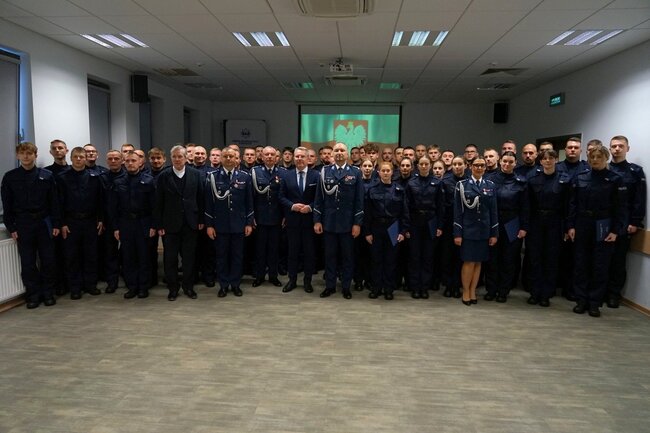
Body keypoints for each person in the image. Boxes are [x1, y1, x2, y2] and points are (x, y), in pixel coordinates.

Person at [567, 145, 627, 317]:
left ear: (606, 158)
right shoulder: (581, 177)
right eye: (592, 157)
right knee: (581, 264)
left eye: (599, 157)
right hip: (582, 224)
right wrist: (571, 226)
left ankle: (594, 302)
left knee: (600, 265)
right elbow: (572, 204)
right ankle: (581, 300)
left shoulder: (615, 179)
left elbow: (621, 208)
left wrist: (615, 230)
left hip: (603, 225)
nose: (595, 160)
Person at [1, 142, 60, 309]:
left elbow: (54, 202)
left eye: (29, 153)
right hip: (23, 225)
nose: (26, 156)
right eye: (22, 153)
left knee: (48, 260)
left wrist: (56, 224)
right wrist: (12, 228)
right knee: (28, 263)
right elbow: (7, 205)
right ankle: (33, 295)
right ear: (17, 156)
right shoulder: (10, 177)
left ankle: (48, 293)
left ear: (35, 155)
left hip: (44, 223)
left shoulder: (47, 176)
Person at [313, 142, 364, 300]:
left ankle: (346, 287)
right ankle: (330, 286)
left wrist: (357, 223)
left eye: (342, 150)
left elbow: (359, 200)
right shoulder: (325, 171)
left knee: (347, 257)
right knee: (330, 256)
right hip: (329, 222)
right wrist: (317, 220)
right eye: (336, 150)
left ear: (347, 154)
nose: (339, 153)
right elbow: (319, 198)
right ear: (332, 154)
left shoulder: (355, 172)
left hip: (348, 224)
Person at [154, 146, 204, 301]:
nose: (177, 159)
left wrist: (201, 220)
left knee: (189, 258)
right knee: (170, 259)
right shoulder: (163, 176)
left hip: (191, 223)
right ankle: (173, 288)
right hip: (170, 225)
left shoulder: (196, 174)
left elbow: (201, 198)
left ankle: (188, 287)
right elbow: (158, 202)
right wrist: (159, 225)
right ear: (171, 158)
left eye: (180, 156)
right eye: (174, 157)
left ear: (186, 158)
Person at [205, 147, 254, 297]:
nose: (228, 159)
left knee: (237, 256)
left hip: (239, 224)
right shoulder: (212, 177)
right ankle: (223, 285)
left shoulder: (245, 177)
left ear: (236, 159)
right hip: (220, 225)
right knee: (221, 257)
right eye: (225, 156)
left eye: (231, 156)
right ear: (221, 158)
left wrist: (249, 223)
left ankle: (235, 284)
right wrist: (209, 225)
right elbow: (208, 203)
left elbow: (249, 202)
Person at [108, 151, 157, 299]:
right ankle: (132, 287)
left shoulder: (148, 180)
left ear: (140, 162)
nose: (130, 163)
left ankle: (143, 287)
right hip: (125, 224)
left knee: (144, 256)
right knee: (128, 257)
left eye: (133, 161)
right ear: (124, 162)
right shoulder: (118, 182)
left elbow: (154, 206)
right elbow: (113, 207)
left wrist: (153, 225)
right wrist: (116, 227)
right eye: (128, 161)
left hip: (143, 223)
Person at [57, 147, 104, 300]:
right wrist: (62, 223)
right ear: (71, 158)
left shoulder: (94, 177)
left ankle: (90, 285)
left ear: (86, 158)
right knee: (72, 256)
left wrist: (101, 219)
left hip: (90, 221)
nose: (78, 159)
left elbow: (100, 200)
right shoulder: (62, 178)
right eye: (76, 157)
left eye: (81, 157)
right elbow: (58, 203)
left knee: (91, 255)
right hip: (71, 222)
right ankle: (75, 288)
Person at [526, 149, 571, 307]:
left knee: (551, 260)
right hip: (536, 222)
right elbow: (528, 205)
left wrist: (567, 227)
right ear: (540, 161)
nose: (548, 161)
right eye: (544, 158)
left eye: (551, 158)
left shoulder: (564, 180)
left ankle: (546, 294)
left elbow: (568, 206)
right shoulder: (533, 180)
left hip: (555, 222)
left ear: (556, 160)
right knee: (535, 259)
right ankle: (534, 292)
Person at [606, 135, 646, 308]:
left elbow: (639, 199)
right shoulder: (603, 168)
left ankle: (613, 294)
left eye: (620, 146)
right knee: (600, 259)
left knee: (618, 260)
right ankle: (599, 291)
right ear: (609, 149)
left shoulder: (635, 172)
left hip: (623, 223)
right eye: (614, 146)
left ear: (627, 149)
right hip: (603, 221)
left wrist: (635, 221)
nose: (617, 149)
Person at [483, 151, 529, 303]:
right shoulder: (489, 180)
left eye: (510, 162)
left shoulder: (521, 182)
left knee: (508, 259)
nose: (507, 164)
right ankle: (491, 289)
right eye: (505, 161)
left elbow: (525, 207)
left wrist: (524, 227)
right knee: (492, 258)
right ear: (500, 161)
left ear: (515, 164)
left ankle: (503, 291)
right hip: (493, 222)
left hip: (512, 222)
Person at [453, 157, 498, 306]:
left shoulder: (490, 185)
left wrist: (494, 233)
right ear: (470, 167)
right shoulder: (462, 185)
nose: (479, 168)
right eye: (476, 165)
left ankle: (473, 290)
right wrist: (457, 233)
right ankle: (466, 291)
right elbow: (457, 211)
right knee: (469, 261)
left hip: (484, 230)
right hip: (468, 230)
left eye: (482, 165)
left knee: (478, 262)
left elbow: (493, 211)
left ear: (485, 168)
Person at [364, 162, 409, 300]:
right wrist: (367, 232)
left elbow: (404, 212)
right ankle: (376, 288)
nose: (385, 173)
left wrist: (402, 231)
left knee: (391, 260)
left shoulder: (400, 189)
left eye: (388, 170)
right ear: (378, 172)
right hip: (376, 227)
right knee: (376, 259)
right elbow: (367, 213)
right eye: (382, 170)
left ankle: (389, 289)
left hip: (393, 227)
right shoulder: (371, 189)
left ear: (392, 172)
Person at [278, 147, 319, 293]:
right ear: (294, 158)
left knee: (309, 253)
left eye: (302, 156)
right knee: (292, 252)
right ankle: (292, 280)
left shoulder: (316, 175)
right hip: (293, 221)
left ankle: (307, 281)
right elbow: (281, 196)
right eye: (297, 156)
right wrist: (292, 206)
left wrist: (310, 207)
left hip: (309, 221)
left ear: (308, 158)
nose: (299, 159)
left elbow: (320, 198)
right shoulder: (286, 175)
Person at [557, 137, 591, 300]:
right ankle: (557, 285)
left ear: (581, 150)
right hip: (557, 217)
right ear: (565, 149)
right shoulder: (557, 167)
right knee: (557, 255)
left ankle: (572, 289)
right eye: (570, 147)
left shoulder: (586, 168)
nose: (572, 150)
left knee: (576, 257)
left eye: (576, 147)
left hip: (579, 220)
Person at [406, 156, 444, 299]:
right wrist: (406, 227)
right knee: (414, 256)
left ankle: (424, 287)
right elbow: (406, 206)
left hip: (431, 221)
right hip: (415, 222)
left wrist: (439, 225)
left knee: (428, 256)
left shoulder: (437, 183)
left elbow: (440, 206)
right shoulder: (411, 183)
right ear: (417, 166)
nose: (423, 166)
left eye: (426, 164)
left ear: (430, 165)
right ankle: (415, 287)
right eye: (421, 164)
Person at [251, 146, 284, 288]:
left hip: (277, 217)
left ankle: (273, 276)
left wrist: (285, 216)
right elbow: (251, 196)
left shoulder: (283, 172)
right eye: (267, 154)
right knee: (260, 249)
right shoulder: (255, 172)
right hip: (260, 217)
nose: (269, 156)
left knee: (274, 249)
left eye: (272, 154)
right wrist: (251, 216)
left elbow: (284, 196)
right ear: (262, 157)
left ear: (276, 157)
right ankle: (259, 276)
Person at [99, 150, 125, 293]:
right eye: (110, 159)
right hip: (108, 221)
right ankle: (112, 282)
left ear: (122, 160)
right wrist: (101, 220)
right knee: (110, 253)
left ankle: (129, 279)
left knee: (127, 253)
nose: (113, 161)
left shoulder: (128, 176)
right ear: (107, 161)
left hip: (126, 220)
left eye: (116, 158)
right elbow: (99, 201)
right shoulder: (102, 178)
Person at [441, 156, 466, 298]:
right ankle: (448, 285)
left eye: (460, 164)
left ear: (465, 165)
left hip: (464, 224)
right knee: (447, 256)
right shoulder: (445, 182)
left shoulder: (469, 181)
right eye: (455, 164)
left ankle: (457, 285)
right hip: (448, 223)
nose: (457, 166)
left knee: (460, 256)